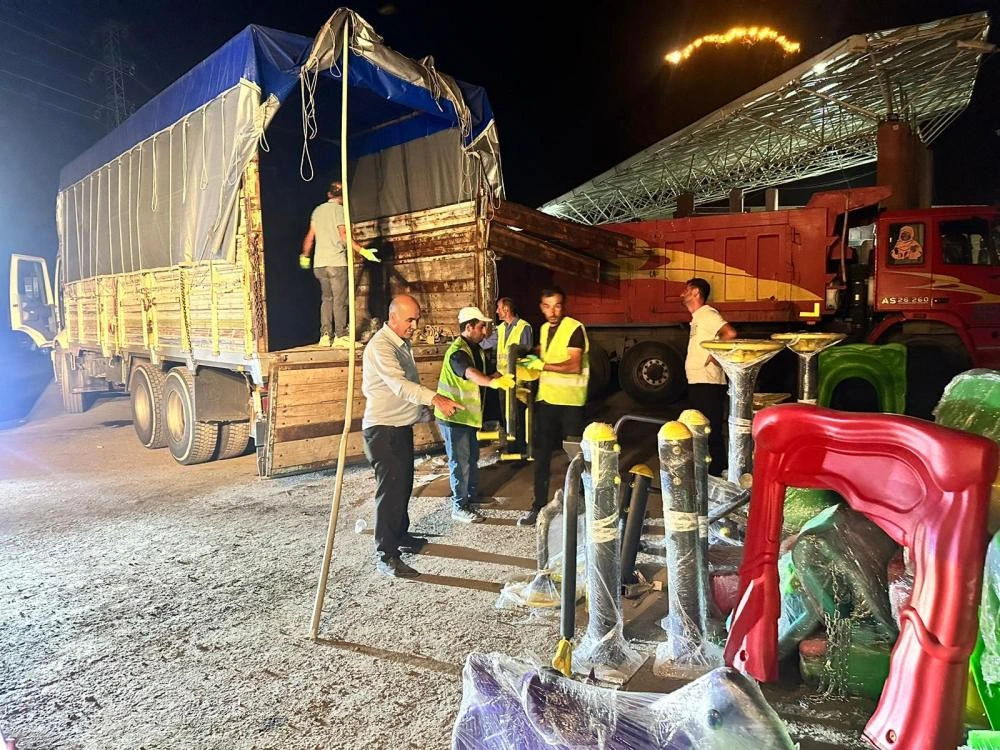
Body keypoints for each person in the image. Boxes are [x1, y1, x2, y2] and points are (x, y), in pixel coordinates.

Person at [362, 294, 463, 578]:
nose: (415, 324)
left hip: (399, 428)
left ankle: (400, 536)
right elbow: (400, 385)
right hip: (382, 431)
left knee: (403, 485)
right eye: (410, 319)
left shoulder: (401, 344)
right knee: (390, 493)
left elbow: (410, 386)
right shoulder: (381, 347)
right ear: (393, 318)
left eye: (416, 318)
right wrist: (436, 399)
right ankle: (386, 554)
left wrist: (422, 412)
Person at [517, 287, 589, 527]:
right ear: (541, 307)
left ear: (564, 306)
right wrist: (530, 354)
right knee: (542, 456)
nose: (553, 311)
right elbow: (546, 353)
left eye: (557, 305)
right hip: (546, 400)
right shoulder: (545, 328)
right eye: (547, 306)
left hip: (570, 403)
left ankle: (579, 508)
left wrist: (541, 365)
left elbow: (574, 365)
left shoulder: (575, 328)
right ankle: (538, 506)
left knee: (575, 458)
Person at [436, 306, 515, 524]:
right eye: (481, 326)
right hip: (453, 418)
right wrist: (493, 382)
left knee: (471, 459)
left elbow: (490, 373)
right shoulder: (458, 353)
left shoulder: (476, 350)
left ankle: (472, 497)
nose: (485, 330)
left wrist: (514, 370)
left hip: (467, 418)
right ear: (469, 327)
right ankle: (459, 506)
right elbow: (472, 374)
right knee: (459, 462)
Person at [300, 180, 380, 348]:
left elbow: (310, 237)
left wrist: (305, 256)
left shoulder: (317, 211)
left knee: (326, 299)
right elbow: (343, 235)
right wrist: (363, 251)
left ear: (329, 194)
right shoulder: (339, 210)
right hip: (335, 262)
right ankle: (341, 335)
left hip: (319, 265)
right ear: (342, 196)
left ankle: (325, 335)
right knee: (339, 300)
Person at [681, 277, 737, 476]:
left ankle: (718, 473)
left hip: (708, 382)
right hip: (699, 382)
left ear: (696, 292)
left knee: (709, 431)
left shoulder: (707, 313)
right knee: (702, 429)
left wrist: (714, 355)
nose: (682, 293)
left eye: (686, 290)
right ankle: (709, 472)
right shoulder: (698, 317)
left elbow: (729, 333)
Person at [481, 297, 533, 454]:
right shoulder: (501, 328)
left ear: (506, 310)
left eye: (498, 308)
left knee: (518, 415)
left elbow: (526, 353)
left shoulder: (524, 327)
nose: (496, 311)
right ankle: (511, 447)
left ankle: (522, 448)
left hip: (519, 381)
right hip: (503, 380)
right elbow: (485, 344)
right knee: (506, 415)